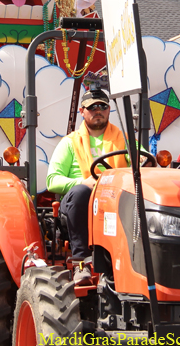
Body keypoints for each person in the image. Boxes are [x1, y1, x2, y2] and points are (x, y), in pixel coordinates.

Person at [46, 89, 129, 285]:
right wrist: (82, 182)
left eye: (102, 106)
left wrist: (143, 160)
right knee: (82, 192)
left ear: (109, 110)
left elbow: (143, 161)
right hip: (79, 203)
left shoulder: (124, 140)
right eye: (92, 107)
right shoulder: (69, 143)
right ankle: (80, 264)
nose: (98, 110)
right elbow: (52, 181)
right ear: (82, 111)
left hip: (114, 199)